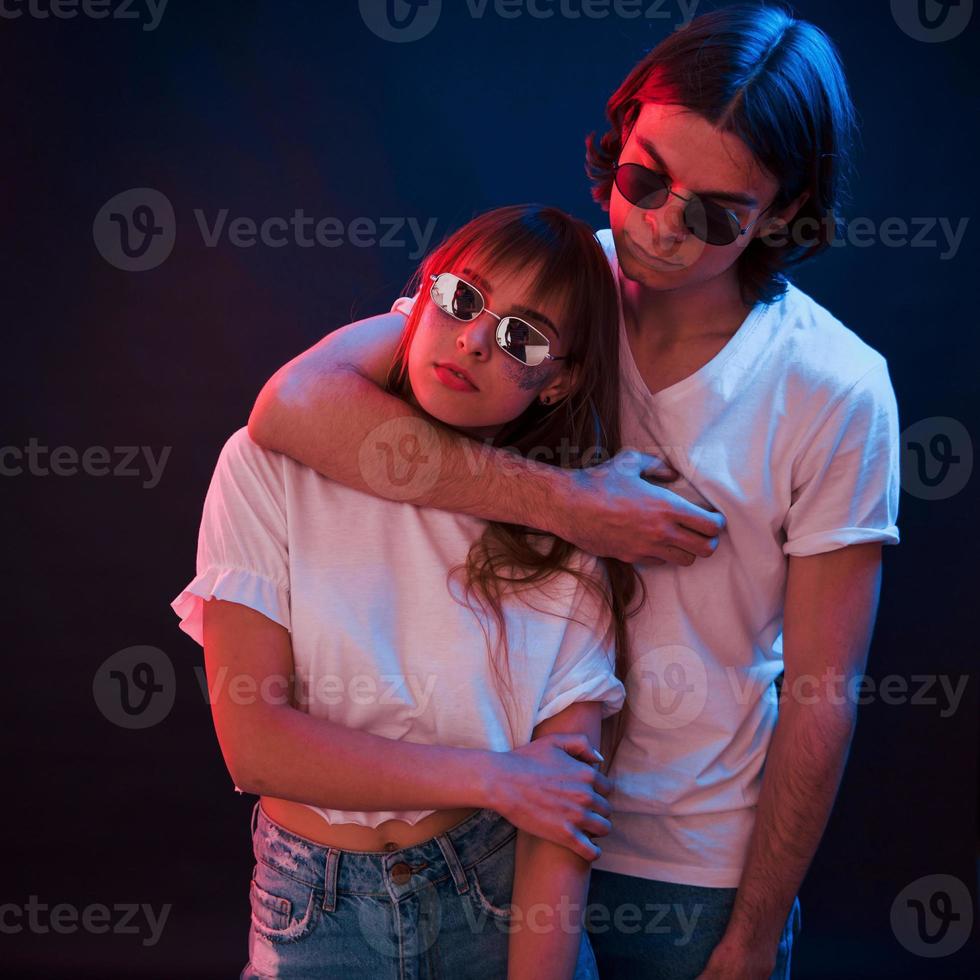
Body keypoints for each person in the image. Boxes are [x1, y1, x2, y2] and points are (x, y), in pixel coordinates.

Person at [244, 6, 901, 978]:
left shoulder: (835, 388)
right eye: (645, 178)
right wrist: (570, 504)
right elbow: (291, 408)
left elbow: (817, 695)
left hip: (684, 870)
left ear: (783, 210)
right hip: (486, 834)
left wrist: (753, 937)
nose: (660, 227)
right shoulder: (531, 287)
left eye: (714, 214)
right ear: (623, 128)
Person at [171, 204, 652, 979]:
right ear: (419, 300)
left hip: (491, 905)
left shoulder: (568, 528)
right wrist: (494, 775)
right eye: (463, 299)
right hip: (314, 915)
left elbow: (559, 819)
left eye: (520, 337)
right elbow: (255, 747)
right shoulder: (269, 465)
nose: (471, 340)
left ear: (558, 381)